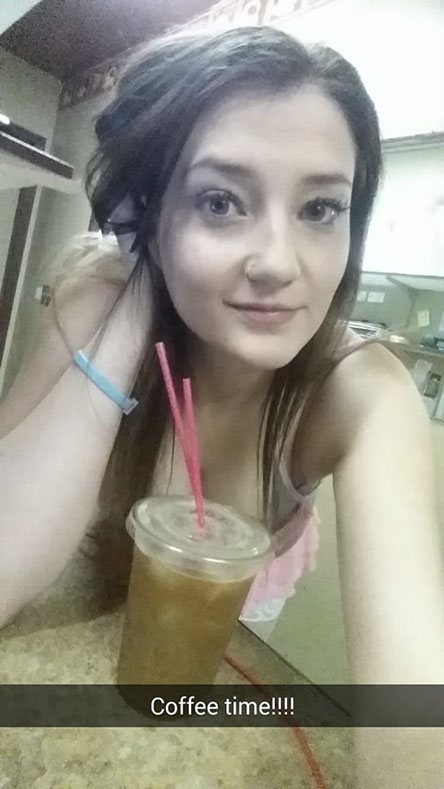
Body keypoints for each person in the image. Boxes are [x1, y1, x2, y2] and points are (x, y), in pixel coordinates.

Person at [1, 24, 444, 788]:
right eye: (219, 201)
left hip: (223, 645)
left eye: (320, 209)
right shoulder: (98, 299)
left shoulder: (360, 390)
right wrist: (138, 298)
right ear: (151, 213)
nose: (277, 262)